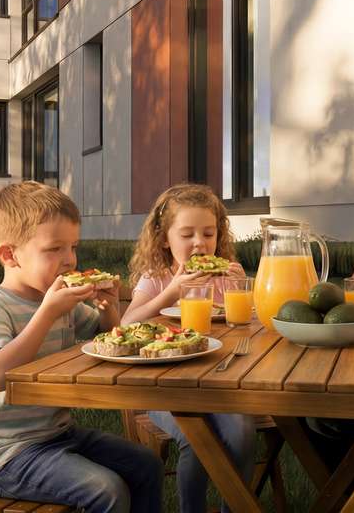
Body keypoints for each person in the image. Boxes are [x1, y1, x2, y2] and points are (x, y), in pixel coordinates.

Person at [0, 181, 163, 513]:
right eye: (54, 249)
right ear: (9, 254)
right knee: (107, 490)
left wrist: (108, 308)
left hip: (60, 434)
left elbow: (108, 338)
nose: (70, 260)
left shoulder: (61, 300)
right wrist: (47, 313)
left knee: (147, 465)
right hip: (7, 454)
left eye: (73, 246)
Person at [122, 183, 257, 513]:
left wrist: (244, 293)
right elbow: (125, 325)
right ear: (165, 239)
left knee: (243, 433)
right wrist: (171, 292)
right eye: (187, 234)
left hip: (218, 382)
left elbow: (253, 328)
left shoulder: (226, 277)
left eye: (209, 233)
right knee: (197, 440)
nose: (200, 242)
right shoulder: (156, 278)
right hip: (162, 386)